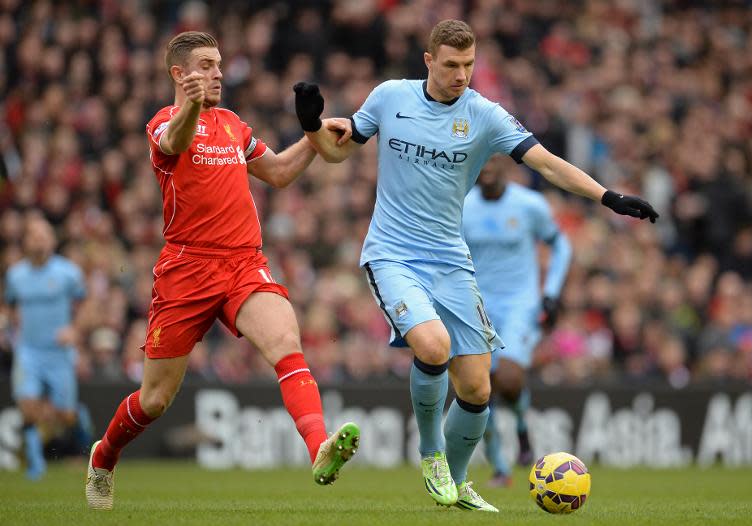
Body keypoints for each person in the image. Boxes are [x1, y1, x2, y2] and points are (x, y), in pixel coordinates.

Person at [293, 19, 657, 512]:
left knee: (478, 386)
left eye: (468, 65)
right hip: (393, 255)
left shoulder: (485, 115)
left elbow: (547, 163)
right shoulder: (389, 97)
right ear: (428, 61)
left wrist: (607, 196)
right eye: (451, 65)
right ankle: (432, 454)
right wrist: (312, 125)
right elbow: (337, 153)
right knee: (433, 344)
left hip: (451, 262)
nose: (461, 74)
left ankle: (461, 483)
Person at [85, 32, 359, 510]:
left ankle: (318, 448)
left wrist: (312, 133)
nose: (217, 74)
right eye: (206, 66)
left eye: (218, 65)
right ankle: (104, 457)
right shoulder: (164, 122)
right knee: (155, 400)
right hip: (186, 269)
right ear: (179, 74)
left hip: (243, 263)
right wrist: (190, 106)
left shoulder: (233, 124)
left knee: (285, 345)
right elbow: (174, 140)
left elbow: (277, 172)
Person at [462, 157, 572, 487]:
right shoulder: (463, 206)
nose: (487, 168)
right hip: (477, 307)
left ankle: (522, 426)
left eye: (493, 161)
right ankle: (501, 468)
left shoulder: (529, 205)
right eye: (481, 163)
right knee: (478, 390)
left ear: (505, 166)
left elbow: (561, 245)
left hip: (520, 305)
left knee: (507, 380)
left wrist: (550, 293)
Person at [4, 215, 91, 480]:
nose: (40, 241)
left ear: (52, 240)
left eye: (44, 236)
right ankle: (35, 464)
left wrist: (75, 330)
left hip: (59, 354)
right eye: (34, 236)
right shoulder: (15, 275)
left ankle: (81, 427)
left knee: (64, 415)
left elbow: (88, 305)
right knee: (28, 406)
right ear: (26, 241)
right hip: (28, 351)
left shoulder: (68, 273)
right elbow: (9, 306)